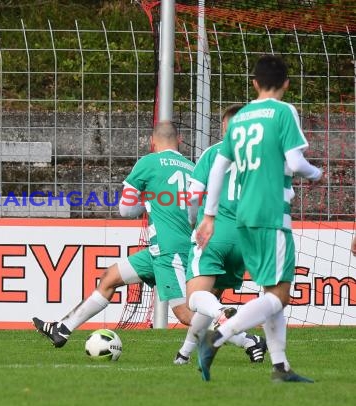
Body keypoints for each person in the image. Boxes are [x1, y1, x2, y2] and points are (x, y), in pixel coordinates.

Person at [195, 55, 322, 382]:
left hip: (243, 216)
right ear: (286, 83)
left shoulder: (240, 118)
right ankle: (219, 336)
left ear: (254, 83)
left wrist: (208, 216)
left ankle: (280, 367)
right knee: (279, 295)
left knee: (270, 293)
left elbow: (220, 167)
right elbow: (295, 162)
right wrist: (316, 172)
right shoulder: (283, 111)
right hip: (271, 213)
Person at [32, 121, 195, 347]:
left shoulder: (149, 162)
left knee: (185, 314)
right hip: (171, 249)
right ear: (179, 141)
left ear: (152, 142)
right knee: (109, 277)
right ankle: (63, 328)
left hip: (169, 251)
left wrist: (148, 202)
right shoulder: (192, 168)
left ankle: (248, 340)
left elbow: (126, 209)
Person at [174, 104, 267, 365]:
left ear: (224, 128)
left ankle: (223, 315)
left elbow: (193, 196)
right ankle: (184, 354)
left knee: (195, 297)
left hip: (215, 233)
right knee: (210, 294)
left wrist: (193, 222)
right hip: (247, 240)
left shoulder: (214, 152)